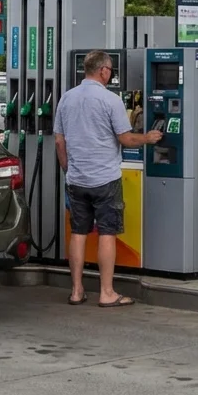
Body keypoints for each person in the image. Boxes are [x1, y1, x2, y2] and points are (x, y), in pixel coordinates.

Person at [54, 50, 162, 307]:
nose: (111, 74)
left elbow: (59, 141)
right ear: (102, 70)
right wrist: (148, 138)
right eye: (110, 70)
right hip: (105, 179)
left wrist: (68, 169)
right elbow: (126, 138)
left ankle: (76, 291)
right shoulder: (110, 100)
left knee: (78, 233)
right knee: (107, 233)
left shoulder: (66, 98)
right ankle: (106, 292)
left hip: (76, 179)